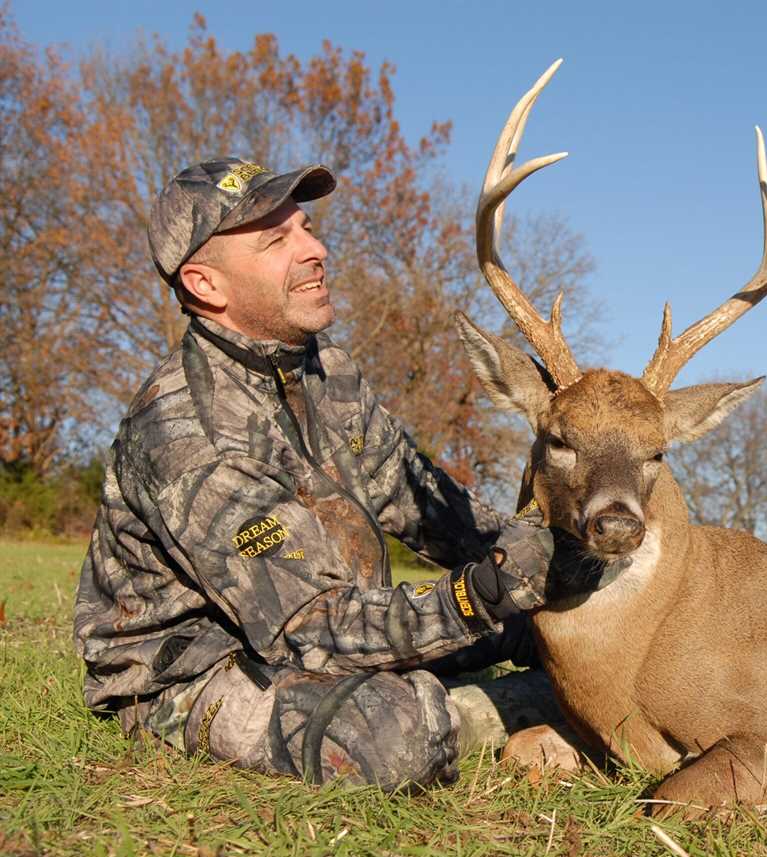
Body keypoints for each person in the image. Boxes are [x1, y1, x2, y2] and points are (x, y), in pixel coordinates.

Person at [74, 158, 574, 791]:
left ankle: (568, 688)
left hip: (332, 630)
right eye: (277, 240)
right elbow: (308, 627)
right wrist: (485, 593)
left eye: (306, 228)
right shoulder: (184, 434)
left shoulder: (323, 366)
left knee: (559, 617)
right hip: (201, 671)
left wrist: (550, 552)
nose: (317, 250)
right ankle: (538, 707)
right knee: (393, 737)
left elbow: (420, 499)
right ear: (206, 284)